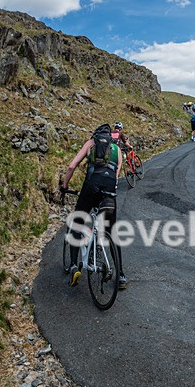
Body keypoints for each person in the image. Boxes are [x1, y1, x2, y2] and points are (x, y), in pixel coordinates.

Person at [61, 123, 127, 289]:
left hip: (91, 186)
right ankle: (120, 275)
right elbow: (116, 174)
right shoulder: (117, 149)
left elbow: (72, 166)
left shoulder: (91, 143)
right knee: (112, 231)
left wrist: (65, 185)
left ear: (96, 134)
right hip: (110, 191)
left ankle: (74, 267)